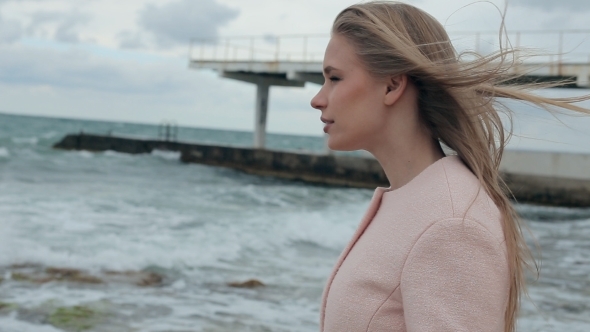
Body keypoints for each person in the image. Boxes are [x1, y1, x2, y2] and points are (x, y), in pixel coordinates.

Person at [310, 1, 590, 332]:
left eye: (334, 78)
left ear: (392, 85)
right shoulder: (419, 201)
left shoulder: (451, 223)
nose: (318, 98)